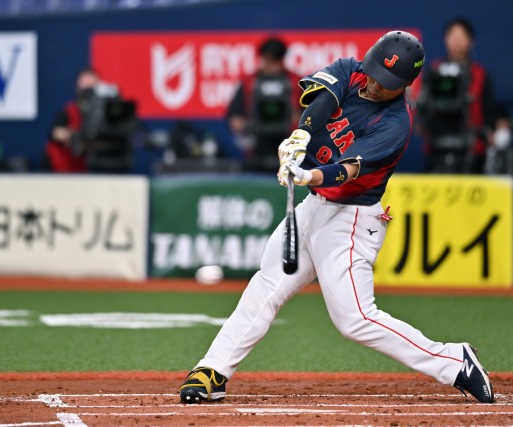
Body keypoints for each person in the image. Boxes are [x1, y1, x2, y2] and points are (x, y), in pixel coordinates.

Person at [179, 31, 495, 405]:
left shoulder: (395, 124)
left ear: (405, 84)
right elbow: (323, 101)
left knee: (355, 319)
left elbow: (348, 169)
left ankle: (455, 362)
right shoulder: (350, 69)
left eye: (387, 82)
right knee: (267, 286)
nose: (375, 84)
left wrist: (308, 175)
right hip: (314, 207)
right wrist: (301, 136)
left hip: (352, 220)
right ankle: (212, 369)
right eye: (375, 73)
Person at [416, 17, 496, 174]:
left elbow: (489, 110)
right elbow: (423, 104)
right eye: (453, 36)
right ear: (445, 39)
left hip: (472, 150)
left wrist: (489, 132)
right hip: (435, 146)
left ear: (471, 41)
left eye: (462, 36)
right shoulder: (433, 71)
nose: (457, 41)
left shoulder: (480, 74)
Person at [226, 37, 302, 173]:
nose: (272, 66)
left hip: (289, 144)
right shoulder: (249, 83)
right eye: (268, 60)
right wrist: (239, 123)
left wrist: (300, 120)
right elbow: (234, 116)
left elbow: (312, 116)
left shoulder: (296, 83)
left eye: (276, 61)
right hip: (257, 145)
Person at [44, 67, 136, 173]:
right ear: (77, 87)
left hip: (107, 157)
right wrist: (70, 135)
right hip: (74, 163)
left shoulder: (109, 108)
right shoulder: (69, 111)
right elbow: (55, 133)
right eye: (85, 85)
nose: (88, 90)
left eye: (92, 86)